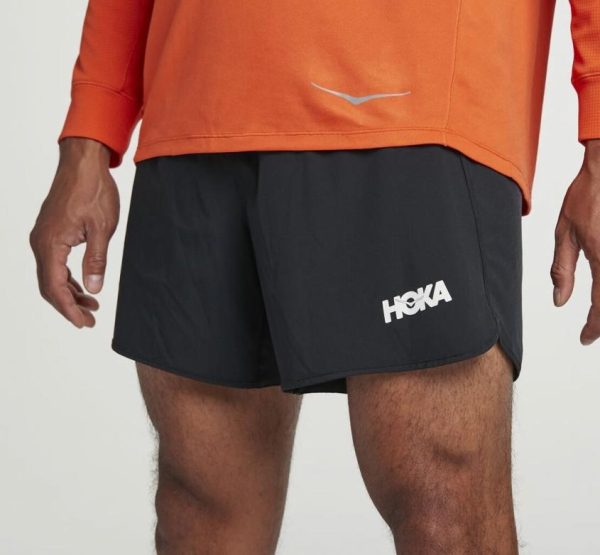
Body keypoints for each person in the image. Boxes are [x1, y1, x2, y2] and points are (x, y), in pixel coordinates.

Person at [29, 1, 599, 553]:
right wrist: (89, 138)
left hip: (412, 108)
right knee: (195, 512)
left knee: (445, 508)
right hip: (193, 103)